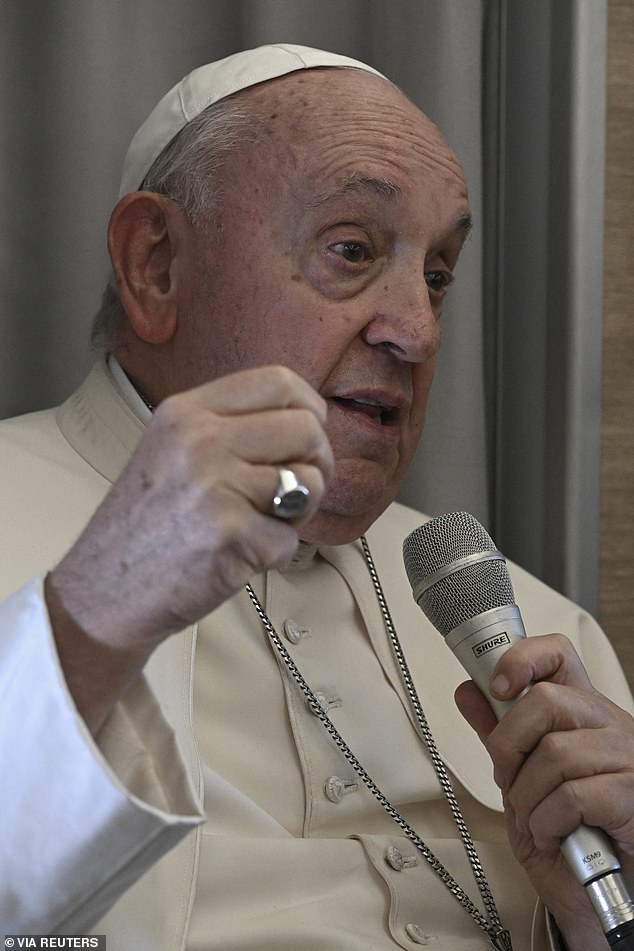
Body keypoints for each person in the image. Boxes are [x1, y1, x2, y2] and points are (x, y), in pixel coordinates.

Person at [1, 43, 632, 951]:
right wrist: (96, 615)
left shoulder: (539, 629)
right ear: (156, 266)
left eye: (438, 276)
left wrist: (596, 923)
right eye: (351, 249)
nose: (415, 330)